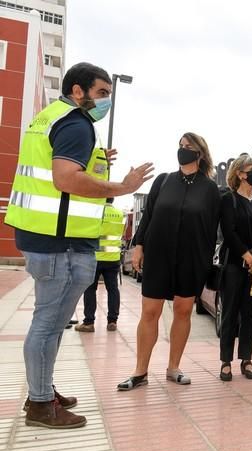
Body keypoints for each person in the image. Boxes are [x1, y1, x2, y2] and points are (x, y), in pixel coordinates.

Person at [5, 62, 153, 428]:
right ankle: (40, 404)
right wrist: (123, 187)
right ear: (77, 91)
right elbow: (66, 178)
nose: (106, 101)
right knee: (48, 325)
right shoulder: (75, 124)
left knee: (49, 322)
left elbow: (58, 167)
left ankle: (41, 390)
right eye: (102, 93)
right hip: (62, 242)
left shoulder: (51, 118)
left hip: (42, 234)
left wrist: (96, 160)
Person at [117, 132, 220, 390]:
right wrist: (138, 247)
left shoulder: (210, 189)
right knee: (149, 312)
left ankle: (173, 367)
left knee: (183, 312)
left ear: (200, 153)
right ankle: (140, 371)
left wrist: (205, 263)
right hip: (158, 255)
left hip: (191, 259)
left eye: (188, 147)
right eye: (180, 146)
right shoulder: (163, 181)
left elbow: (212, 229)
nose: (182, 150)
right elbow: (148, 216)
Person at [218, 154, 252, 382]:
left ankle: (246, 359)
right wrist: (246, 255)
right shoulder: (228, 199)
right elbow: (228, 232)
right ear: (240, 173)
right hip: (234, 264)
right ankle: (225, 362)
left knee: (250, 315)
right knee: (230, 312)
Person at [75, 198, 125, 332]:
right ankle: (112, 321)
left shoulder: (95, 212)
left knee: (90, 289)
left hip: (95, 256)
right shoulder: (120, 214)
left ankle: (89, 322)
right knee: (113, 289)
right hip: (113, 257)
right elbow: (121, 234)